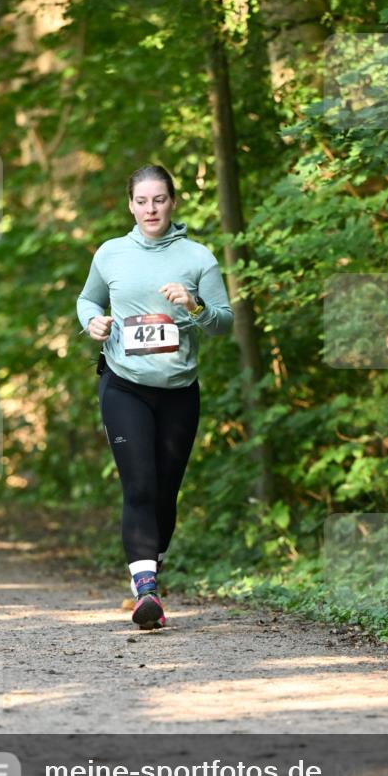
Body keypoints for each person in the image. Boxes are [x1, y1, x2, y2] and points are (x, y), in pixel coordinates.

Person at [77, 164, 234, 629]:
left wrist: (194, 305)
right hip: (124, 384)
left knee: (165, 491)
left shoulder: (198, 258)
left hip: (179, 391)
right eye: (142, 201)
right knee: (140, 485)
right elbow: (88, 300)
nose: (151, 209)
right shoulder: (111, 253)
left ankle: (151, 561)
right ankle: (146, 589)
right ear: (130, 205)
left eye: (159, 200)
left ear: (172, 203)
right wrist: (92, 322)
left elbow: (224, 323)